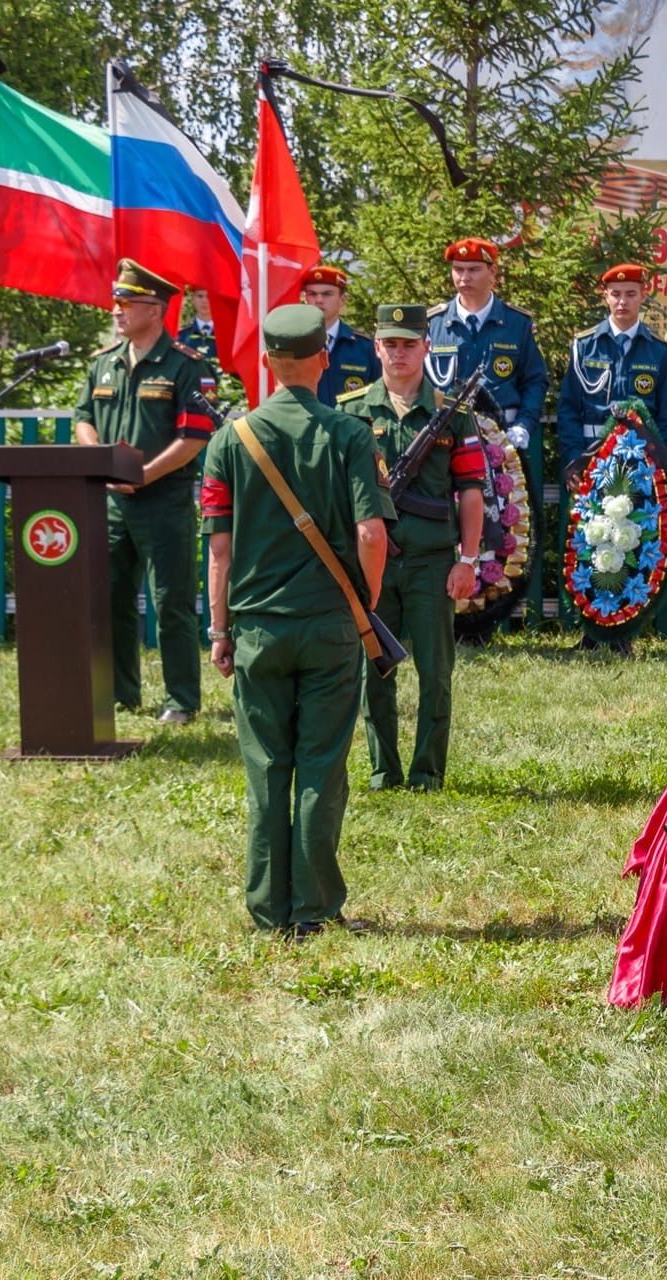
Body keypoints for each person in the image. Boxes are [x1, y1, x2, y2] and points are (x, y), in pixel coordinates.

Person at [200, 303, 392, 938]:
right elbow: (370, 532)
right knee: (321, 764)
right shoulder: (351, 434)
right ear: (324, 358)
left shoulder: (230, 440)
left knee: (266, 768)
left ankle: (266, 909)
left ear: (265, 363)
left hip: (256, 629)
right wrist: (363, 602)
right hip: (329, 624)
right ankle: (313, 908)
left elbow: (219, 549)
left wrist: (220, 629)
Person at [340, 304, 486, 792]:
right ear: (376, 347)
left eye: (409, 343)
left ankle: (427, 772)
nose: (399, 353)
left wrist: (467, 560)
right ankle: (384, 770)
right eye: (391, 343)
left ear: (426, 346)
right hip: (371, 565)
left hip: (430, 563)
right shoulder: (351, 411)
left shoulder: (452, 414)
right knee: (374, 671)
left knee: (435, 674)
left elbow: (470, 491)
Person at [73, 258, 217, 725]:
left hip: (164, 501)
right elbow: (83, 419)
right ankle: (121, 692)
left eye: (125, 303)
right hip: (110, 502)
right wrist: (99, 460)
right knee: (111, 596)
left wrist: (144, 474)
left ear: (155, 310)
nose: (116, 310)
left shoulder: (187, 366)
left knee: (170, 602)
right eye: (116, 302)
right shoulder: (103, 363)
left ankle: (181, 699)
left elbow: (195, 437)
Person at [557, 263, 667, 473]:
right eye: (615, 294)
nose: (622, 301)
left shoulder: (658, 350)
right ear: (605, 295)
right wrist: (574, 456)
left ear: (644, 295)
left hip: (644, 457)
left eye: (631, 294)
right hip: (592, 455)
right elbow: (568, 408)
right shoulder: (585, 346)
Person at [425, 237, 547, 454]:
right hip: (447, 439)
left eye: (473, 269)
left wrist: (523, 425)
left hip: (504, 437)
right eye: (458, 269)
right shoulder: (434, 324)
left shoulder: (517, 323)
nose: (464, 277)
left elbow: (534, 381)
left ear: (492, 272)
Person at [300, 264, 381, 405]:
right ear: (305, 298)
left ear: (343, 299)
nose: (318, 300)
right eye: (312, 294)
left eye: (327, 294)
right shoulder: (295, 344)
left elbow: (378, 395)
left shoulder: (364, 347)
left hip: (350, 425)